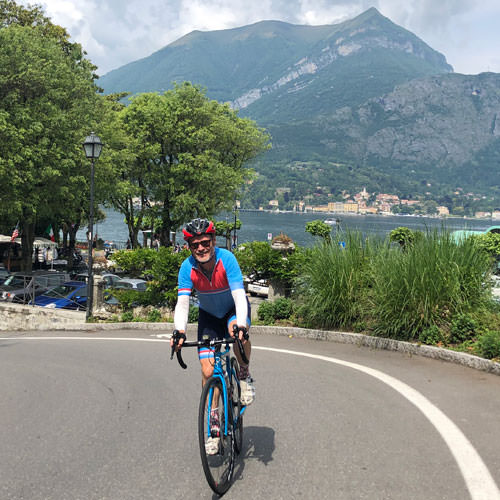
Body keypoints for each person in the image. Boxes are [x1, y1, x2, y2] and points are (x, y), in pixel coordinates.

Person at [170, 218, 255, 455]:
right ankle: (214, 426)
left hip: (231, 311)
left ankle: (245, 375)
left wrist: (241, 325)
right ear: (189, 246)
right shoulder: (188, 268)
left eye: (205, 242)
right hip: (208, 316)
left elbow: (239, 295)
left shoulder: (227, 259)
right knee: (208, 372)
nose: (200, 248)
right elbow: (183, 303)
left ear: (213, 241)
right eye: (195, 244)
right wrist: (179, 331)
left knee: (236, 335)